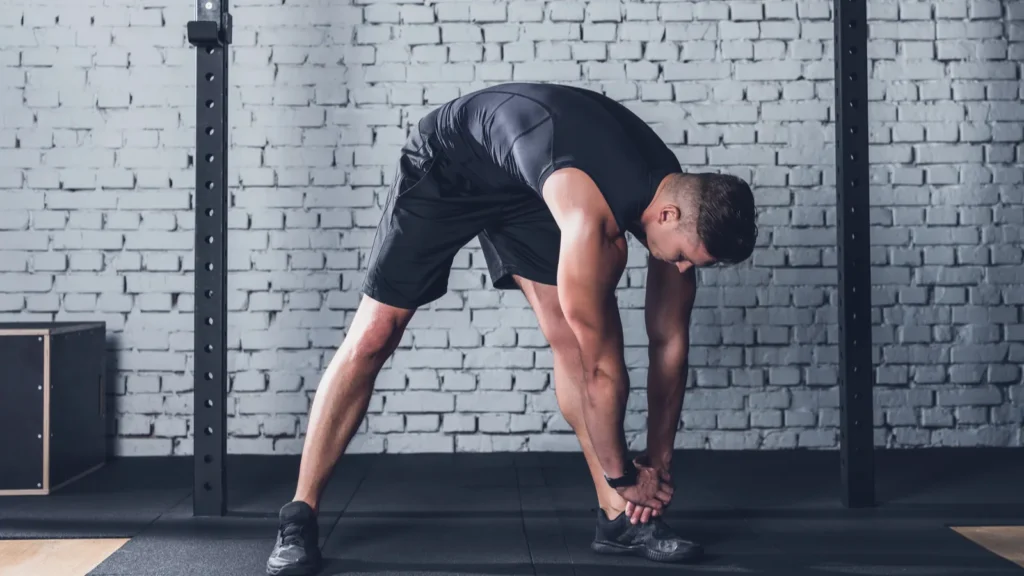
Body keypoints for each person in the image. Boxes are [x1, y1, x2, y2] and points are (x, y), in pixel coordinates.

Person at [265, 82, 758, 576]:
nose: (679, 270)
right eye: (679, 258)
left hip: (525, 187)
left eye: (692, 265)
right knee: (375, 334)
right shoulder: (590, 222)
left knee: (567, 334)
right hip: (450, 165)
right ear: (668, 215)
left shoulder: (680, 200)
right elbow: (603, 372)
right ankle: (299, 516)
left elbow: (669, 342)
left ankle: (619, 522)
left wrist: (660, 458)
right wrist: (626, 473)